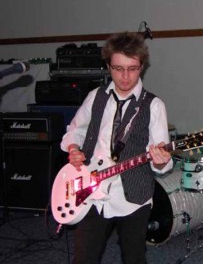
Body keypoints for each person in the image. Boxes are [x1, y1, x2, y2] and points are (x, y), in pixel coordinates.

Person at [61, 32, 173, 264]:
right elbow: (76, 129)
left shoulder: (153, 105)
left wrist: (161, 159)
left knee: (133, 258)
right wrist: (73, 148)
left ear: (141, 67)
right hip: (90, 190)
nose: (125, 76)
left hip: (133, 195)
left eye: (132, 68)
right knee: (84, 257)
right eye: (118, 68)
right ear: (108, 66)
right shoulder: (96, 97)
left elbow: (162, 158)